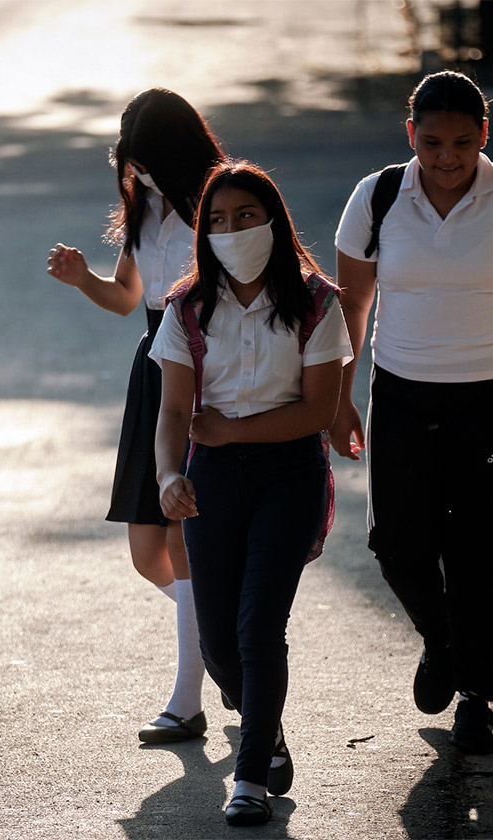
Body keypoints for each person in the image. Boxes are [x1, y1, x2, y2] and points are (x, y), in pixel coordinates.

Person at [330, 71, 493, 754]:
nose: (446, 158)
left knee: (474, 551)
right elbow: (351, 308)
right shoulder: (376, 196)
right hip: (401, 389)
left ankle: (476, 694)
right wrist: (337, 397)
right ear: (410, 134)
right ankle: (441, 642)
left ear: (484, 134)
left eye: (460, 142)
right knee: (396, 545)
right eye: (431, 142)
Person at [152, 161, 353, 826]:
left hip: (289, 475)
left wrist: (233, 431)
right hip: (212, 481)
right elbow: (175, 412)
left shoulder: (318, 302)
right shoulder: (187, 307)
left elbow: (318, 411)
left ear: (273, 221)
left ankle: (249, 779)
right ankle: (266, 730)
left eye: (244, 217)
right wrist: (167, 475)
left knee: (259, 626)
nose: (231, 230)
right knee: (218, 647)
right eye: (216, 220)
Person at [46, 89, 226, 744]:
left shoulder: (219, 206)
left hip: (203, 372)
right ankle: (228, 644)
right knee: (146, 552)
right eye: (128, 164)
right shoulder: (145, 209)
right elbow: (127, 299)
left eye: (143, 163)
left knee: (178, 539)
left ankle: (187, 702)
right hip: (152, 369)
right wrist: (81, 280)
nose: (133, 175)